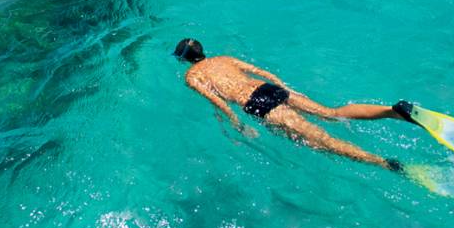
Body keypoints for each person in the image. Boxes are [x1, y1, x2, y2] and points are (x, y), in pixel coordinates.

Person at [173, 38, 412, 173]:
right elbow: (260, 72)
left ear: (183, 59)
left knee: (322, 142)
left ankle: (383, 163)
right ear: (202, 50)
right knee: (331, 113)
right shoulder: (223, 59)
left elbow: (217, 101)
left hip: (257, 103)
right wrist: (285, 88)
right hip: (269, 89)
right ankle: (392, 111)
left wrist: (238, 125)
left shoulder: (192, 77)